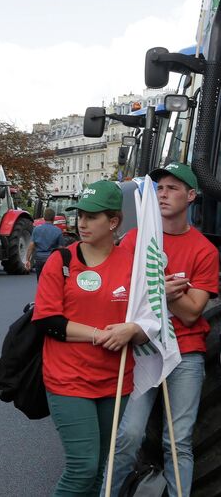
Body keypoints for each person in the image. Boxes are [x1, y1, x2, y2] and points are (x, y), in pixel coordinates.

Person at [106, 163, 218, 497]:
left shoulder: (205, 250)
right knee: (128, 435)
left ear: (192, 195)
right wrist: (162, 290)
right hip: (143, 351)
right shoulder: (135, 240)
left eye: (172, 188)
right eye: (159, 188)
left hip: (185, 353)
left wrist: (158, 292)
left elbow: (193, 312)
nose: (163, 194)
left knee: (178, 441)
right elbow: (123, 294)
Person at [32, 180, 147, 496]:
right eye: (80, 215)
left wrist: (133, 330)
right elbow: (48, 321)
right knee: (81, 468)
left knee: (99, 472)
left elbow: (148, 318)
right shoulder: (62, 260)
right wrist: (98, 335)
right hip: (69, 380)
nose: (82, 223)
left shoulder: (134, 264)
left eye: (92, 216)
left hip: (115, 381)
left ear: (113, 222)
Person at [26, 207, 64, 280]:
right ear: (54, 218)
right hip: (52, 259)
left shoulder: (36, 229)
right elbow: (61, 248)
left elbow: (31, 246)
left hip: (39, 259)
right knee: (51, 281)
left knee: (40, 281)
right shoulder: (58, 231)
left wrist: (27, 260)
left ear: (44, 217)